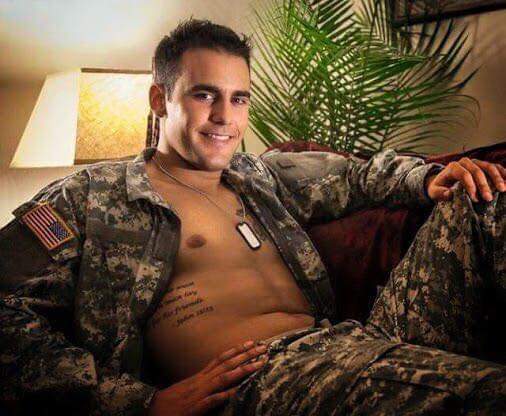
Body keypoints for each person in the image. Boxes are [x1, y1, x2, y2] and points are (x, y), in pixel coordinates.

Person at [0, 18, 505, 416]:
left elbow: (355, 177)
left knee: (480, 194)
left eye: (238, 98)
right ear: (160, 100)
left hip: (354, 341)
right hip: (259, 380)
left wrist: (426, 179)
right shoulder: (90, 196)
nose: (225, 117)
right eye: (204, 95)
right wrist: (137, 403)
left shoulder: (260, 176)